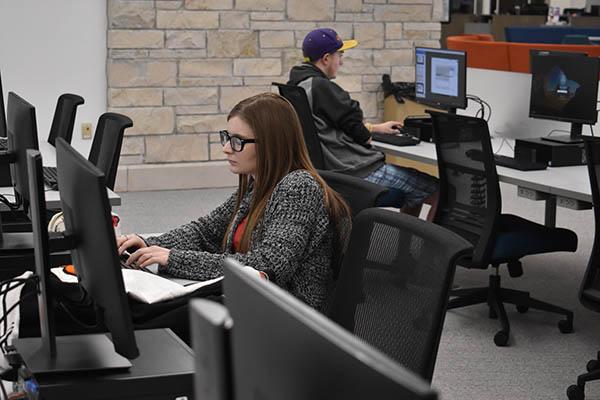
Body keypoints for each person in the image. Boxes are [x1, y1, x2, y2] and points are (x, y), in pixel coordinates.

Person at [117, 93, 350, 311]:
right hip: (252, 302)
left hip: (287, 316)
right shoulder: (258, 184)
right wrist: (147, 244)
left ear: (271, 144)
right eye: (227, 137)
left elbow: (265, 263)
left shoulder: (298, 187)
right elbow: (205, 232)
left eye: (237, 141)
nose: (226, 148)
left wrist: (173, 258)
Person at [287, 28, 438, 218]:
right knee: (436, 190)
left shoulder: (298, 85)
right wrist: (367, 135)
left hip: (331, 171)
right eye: (339, 56)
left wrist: (375, 128)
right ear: (326, 59)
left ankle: (404, 245)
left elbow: (333, 126)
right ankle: (430, 247)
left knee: (413, 191)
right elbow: (354, 123)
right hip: (356, 171)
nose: (341, 62)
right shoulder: (321, 87)